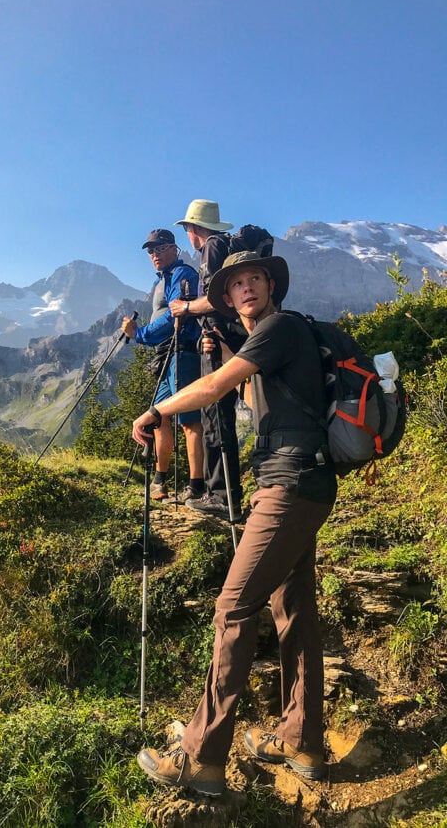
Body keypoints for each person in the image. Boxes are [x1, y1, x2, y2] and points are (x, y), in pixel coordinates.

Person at [132, 250, 338, 796]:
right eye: (236, 283)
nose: (246, 288)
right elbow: (252, 391)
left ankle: (201, 756)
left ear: (271, 286)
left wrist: (157, 412)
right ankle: (303, 740)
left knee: (233, 606)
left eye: (255, 279)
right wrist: (225, 351)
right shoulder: (269, 341)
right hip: (300, 484)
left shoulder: (281, 328)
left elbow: (216, 388)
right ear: (225, 297)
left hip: (289, 488)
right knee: (291, 608)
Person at [169, 199, 246, 521]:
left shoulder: (213, 247)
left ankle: (222, 496)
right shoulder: (223, 244)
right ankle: (226, 493)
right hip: (233, 339)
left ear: (192, 228)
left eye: (187, 228)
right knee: (220, 415)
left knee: (215, 415)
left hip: (218, 342)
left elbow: (217, 300)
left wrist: (184, 309)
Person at [121, 229, 204, 502]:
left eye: (159, 248)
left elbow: (174, 314)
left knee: (188, 420)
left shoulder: (182, 274)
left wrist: (140, 334)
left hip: (182, 352)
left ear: (173, 248)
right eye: (150, 251)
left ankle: (196, 486)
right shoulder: (166, 278)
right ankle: (160, 482)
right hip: (168, 354)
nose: (154, 255)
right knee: (160, 417)